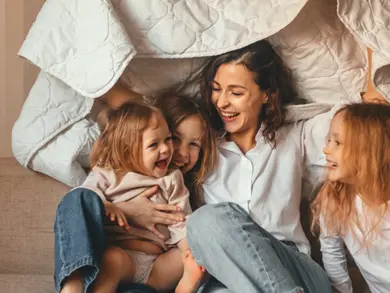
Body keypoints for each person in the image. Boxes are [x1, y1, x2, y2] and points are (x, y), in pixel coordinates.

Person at [184, 40, 339, 293]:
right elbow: (140, 123)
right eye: (216, 89)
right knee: (203, 224)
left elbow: (361, 120)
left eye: (235, 93)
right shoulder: (200, 143)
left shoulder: (295, 135)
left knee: (210, 217)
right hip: (226, 278)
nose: (221, 102)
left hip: (295, 267)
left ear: (266, 94)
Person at [54, 92, 216, 293]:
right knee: (112, 258)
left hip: (157, 265)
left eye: (167, 140)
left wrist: (187, 253)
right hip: (123, 260)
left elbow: (181, 221)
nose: (169, 149)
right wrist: (107, 205)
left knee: (201, 254)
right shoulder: (108, 174)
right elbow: (85, 198)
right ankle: (74, 285)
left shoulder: (172, 179)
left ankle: (186, 285)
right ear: (128, 149)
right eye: (156, 143)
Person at [311, 103, 390, 293]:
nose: (326, 150)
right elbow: (332, 252)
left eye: (337, 143)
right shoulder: (335, 200)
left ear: (368, 150)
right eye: (328, 141)